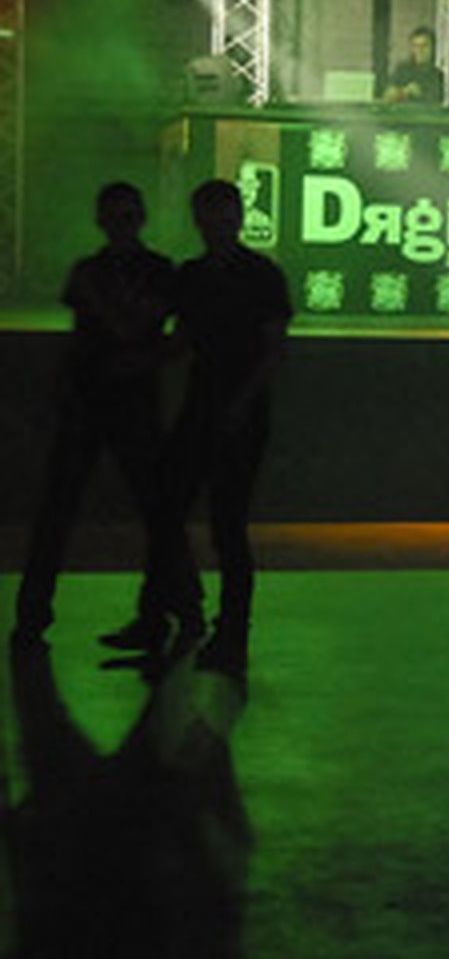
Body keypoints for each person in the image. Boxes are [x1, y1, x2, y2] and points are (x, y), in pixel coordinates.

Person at [101, 179, 293, 674]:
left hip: (232, 415)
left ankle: (216, 631)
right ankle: (180, 621)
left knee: (220, 525)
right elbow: (188, 340)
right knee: (175, 514)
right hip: (210, 409)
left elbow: (272, 351)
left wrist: (240, 403)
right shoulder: (210, 275)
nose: (217, 229)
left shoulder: (255, 275)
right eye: (210, 221)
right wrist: (144, 363)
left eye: (222, 220)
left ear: (238, 219)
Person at [13, 182, 175, 649]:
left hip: (105, 405)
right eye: (117, 217)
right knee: (151, 512)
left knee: (68, 512)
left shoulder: (95, 272)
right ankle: (172, 611)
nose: (121, 225)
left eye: (125, 216)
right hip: (103, 404)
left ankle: (33, 616)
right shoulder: (157, 271)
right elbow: (135, 329)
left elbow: (101, 332)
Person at [383, 25, 444, 105]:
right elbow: (387, 96)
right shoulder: (402, 69)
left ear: (433, 48)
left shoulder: (438, 75)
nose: (419, 50)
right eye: (415, 46)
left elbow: (437, 101)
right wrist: (404, 92)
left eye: (424, 46)